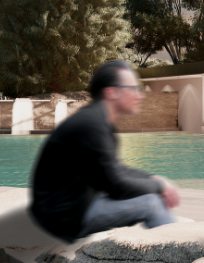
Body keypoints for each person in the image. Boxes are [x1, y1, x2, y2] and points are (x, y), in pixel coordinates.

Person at [29, 60, 181, 242]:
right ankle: (182, 254)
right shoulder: (91, 125)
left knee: (149, 193)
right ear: (111, 91)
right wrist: (159, 187)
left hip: (71, 204)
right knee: (152, 204)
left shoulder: (96, 120)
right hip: (65, 217)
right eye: (133, 88)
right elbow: (117, 186)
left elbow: (115, 169)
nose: (140, 95)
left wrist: (151, 179)